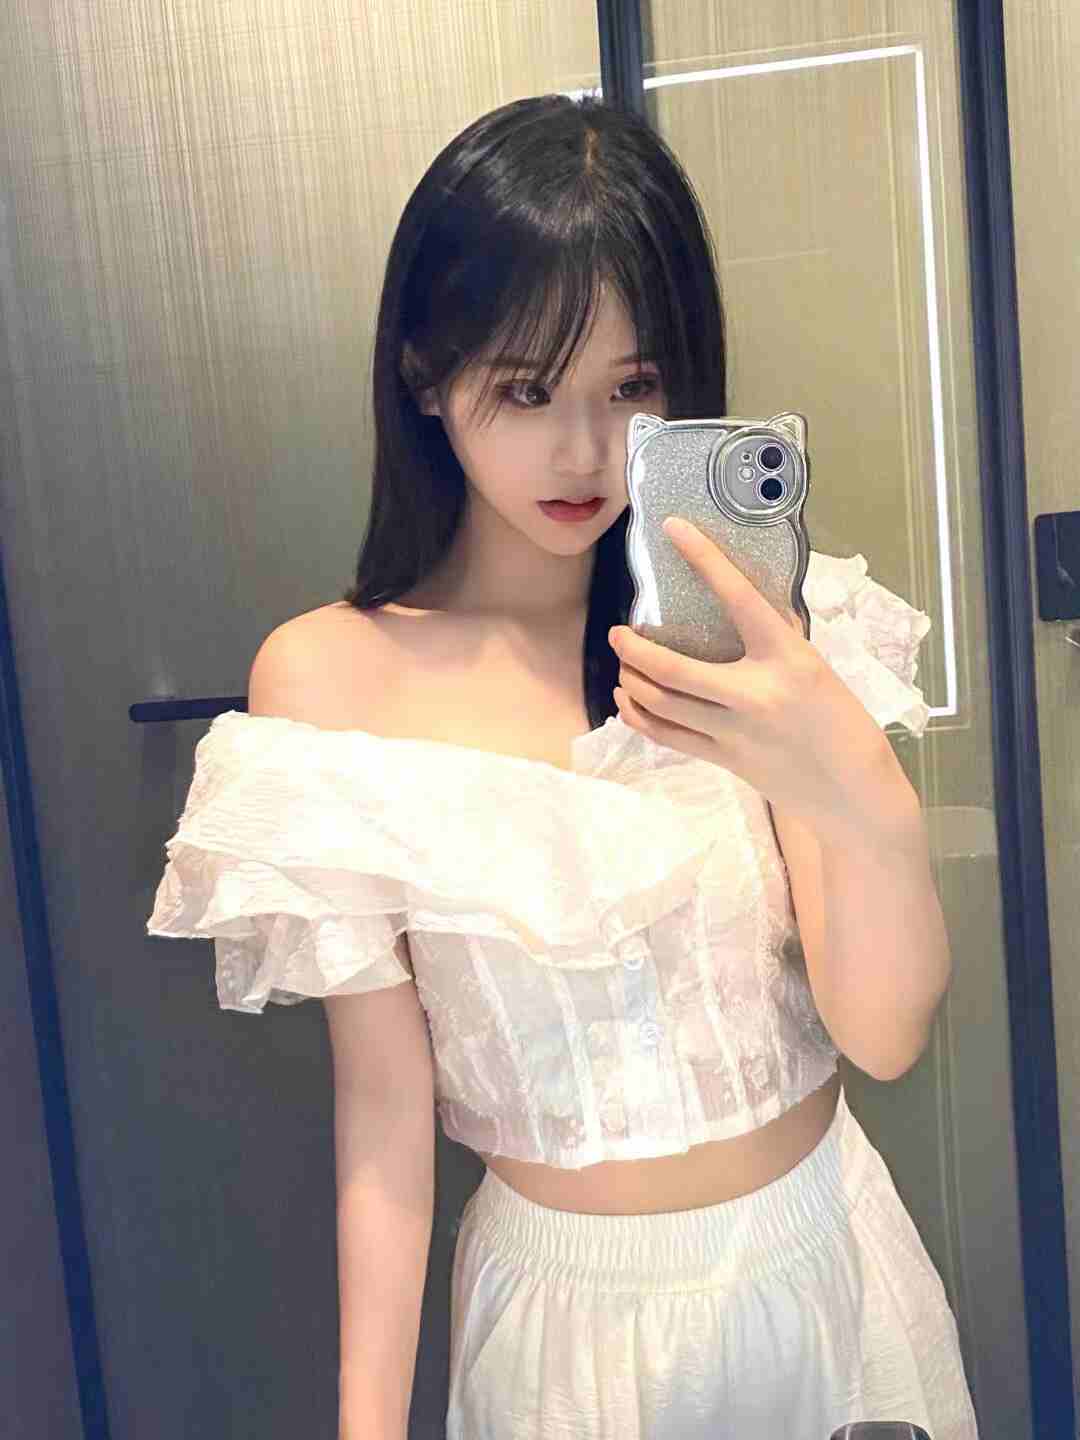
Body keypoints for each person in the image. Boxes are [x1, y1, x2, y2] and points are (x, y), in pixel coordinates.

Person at [147, 94, 979, 1440]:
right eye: (528, 390)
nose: (584, 452)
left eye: (632, 388)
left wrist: (839, 761)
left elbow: (885, 1035)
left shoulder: (772, 635)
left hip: (829, 1277)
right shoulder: (329, 679)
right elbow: (383, 1116)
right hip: (558, 1341)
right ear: (426, 374)